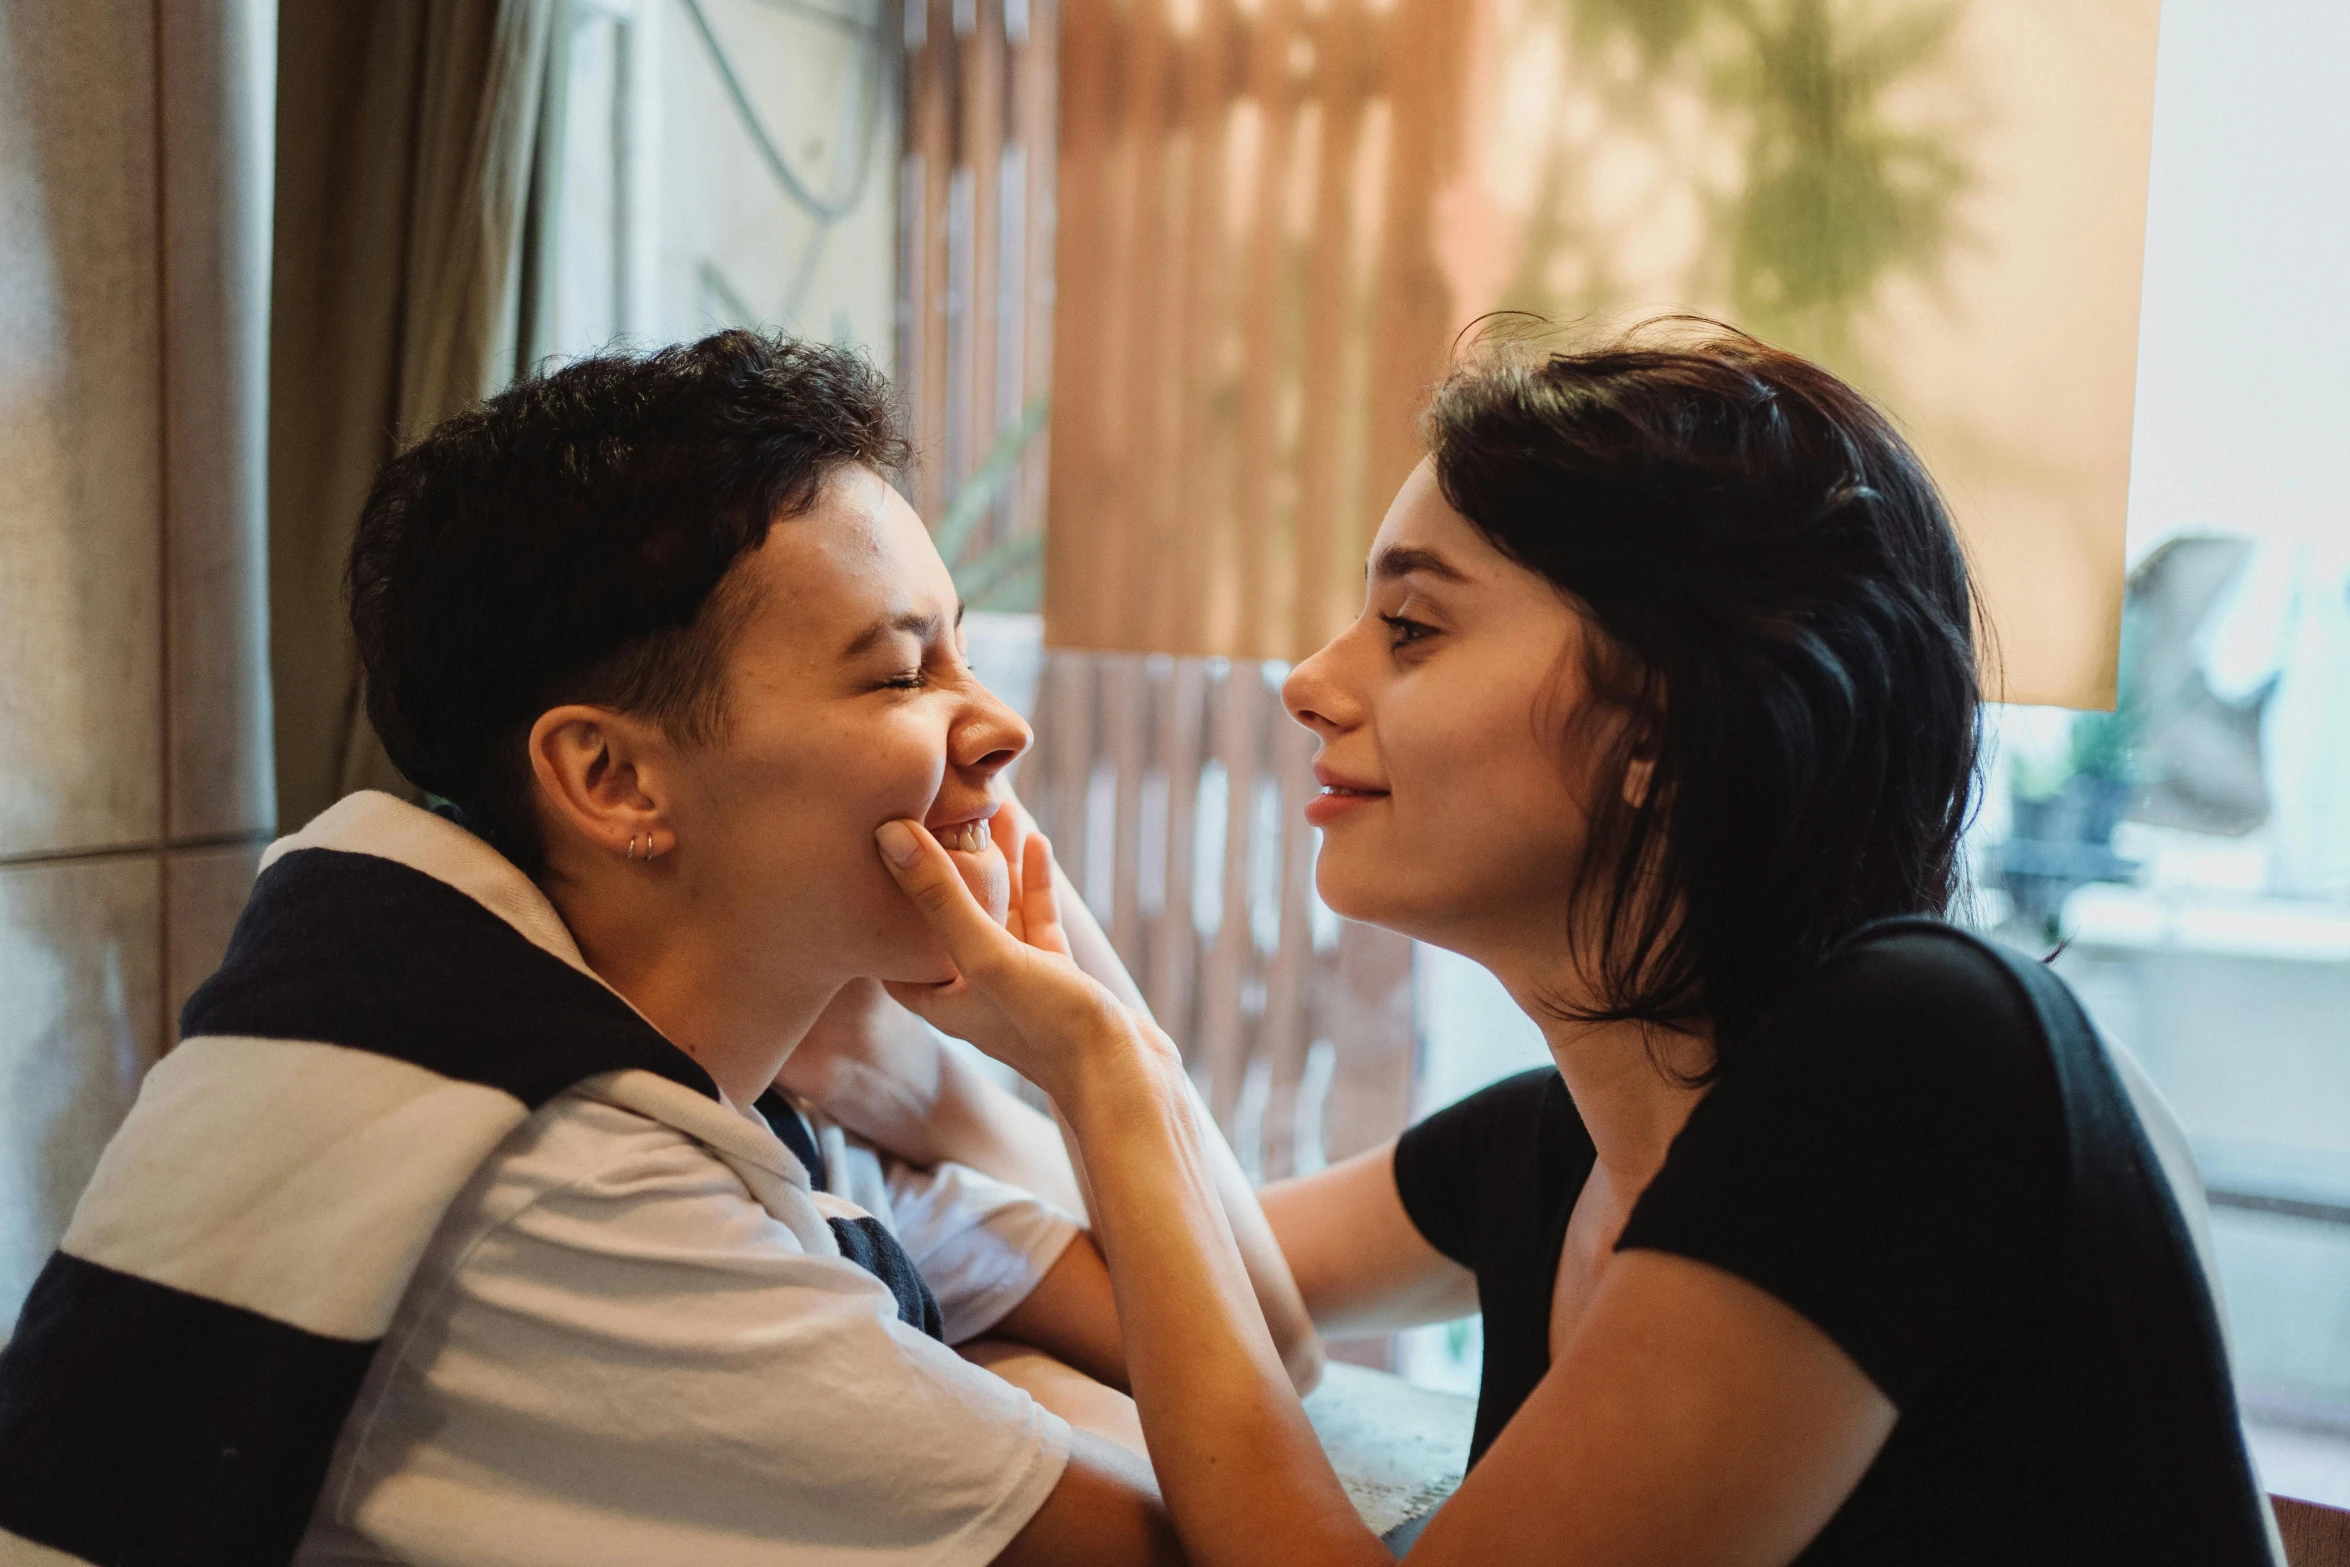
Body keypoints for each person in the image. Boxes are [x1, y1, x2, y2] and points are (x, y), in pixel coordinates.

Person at [864, 321, 2286, 1566]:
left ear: (1660, 725)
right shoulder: (1571, 1145)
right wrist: (976, 1048)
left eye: (1410, 626)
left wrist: (1097, 1063)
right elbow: (1221, 1281)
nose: (1307, 680)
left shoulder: (1915, 1053)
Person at [0, 332, 1313, 1567]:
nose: (1000, 724)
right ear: (615, 778)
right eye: (901, 674)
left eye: (958, 649)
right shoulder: (559, 1170)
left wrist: (1019, 1054)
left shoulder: (712, 1064)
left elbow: (1268, 1347)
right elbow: (1215, 1534)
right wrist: (1097, 1073)